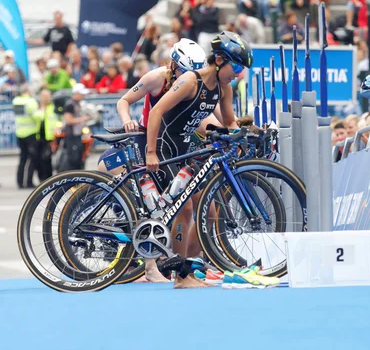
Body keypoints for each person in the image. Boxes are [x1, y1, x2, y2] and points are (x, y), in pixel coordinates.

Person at [97, 38, 222, 283]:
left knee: (209, 211)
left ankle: (183, 262)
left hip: (180, 147)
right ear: (173, 66)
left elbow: (211, 120)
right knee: (170, 206)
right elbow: (124, 101)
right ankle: (154, 266)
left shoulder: (198, 83)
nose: (191, 78)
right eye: (186, 72)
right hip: (151, 143)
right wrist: (127, 120)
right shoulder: (157, 77)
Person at [145, 32, 253, 289]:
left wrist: (248, 134)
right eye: (236, 66)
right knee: (186, 209)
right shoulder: (189, 81)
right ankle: (179, 276)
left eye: (241, 69)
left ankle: (191, 267)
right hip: (166, 149)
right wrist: (150, 152)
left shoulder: (223, 88)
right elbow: (157, 111)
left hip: (188, 150)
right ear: (218, 60)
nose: (238, 73)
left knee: (210, 211)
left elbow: (229, 123)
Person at [13, 84, 39, 189]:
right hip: (30, 133)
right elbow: (37, 116)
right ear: (28, 91)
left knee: (22, 158)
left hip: (19, 133)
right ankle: (28, 182)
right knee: (32, 159)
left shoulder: (16, 101)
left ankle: (19, 182)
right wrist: (42, 111)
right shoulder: (31, 102)